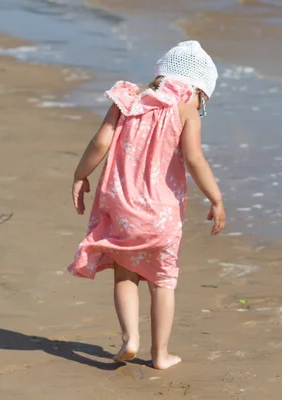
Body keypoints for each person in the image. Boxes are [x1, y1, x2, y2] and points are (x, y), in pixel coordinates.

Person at [67, 40, 225, 370]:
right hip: (162, 213)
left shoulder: (127, 99)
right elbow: (195, 159)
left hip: (121, 204)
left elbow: (100, 141)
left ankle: (129, 339)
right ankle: (160, 354)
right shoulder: (187, 111)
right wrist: (216, 198)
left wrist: (81, 176)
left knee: (125, 273)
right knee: (162, 281)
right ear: (198, 90)